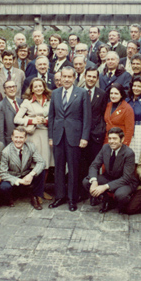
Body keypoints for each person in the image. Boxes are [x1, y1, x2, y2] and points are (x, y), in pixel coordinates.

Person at [48, 66, 91, 211]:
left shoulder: (82, 93)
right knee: (59, 168)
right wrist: (50, 137)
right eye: (63, 77)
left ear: (74, 78)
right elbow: (52, 116)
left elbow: (87, 117)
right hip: (58, 136)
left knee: (73, 168)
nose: (66, 80)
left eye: (69, 77)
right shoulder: (55, 93)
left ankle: (72, 199)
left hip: (75, 136)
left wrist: (84, 137)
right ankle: (59, 196)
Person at [83, 127, 138, 213]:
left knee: (120, 195)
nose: (111, 141)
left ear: (122, 139)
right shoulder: (105, 148)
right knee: (87, 181)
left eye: (115, 138)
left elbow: (126, 178)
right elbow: (94, 166)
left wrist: (105, 187)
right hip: (109, 177)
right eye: (110, 138)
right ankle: (106, 199)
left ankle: (118, 202)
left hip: (125, 182)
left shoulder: (129, 153)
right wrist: (94, 181)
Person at [0, 127, 47, 210]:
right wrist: (19, 181)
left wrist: (31, 174)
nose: (18, 140)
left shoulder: (30, 146)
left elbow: (41, 162)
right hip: (13, 178)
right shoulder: (6, 152)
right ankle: (10, 197)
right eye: (16, 137)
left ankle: (35, 196)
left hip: (26, 175)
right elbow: (2, 173)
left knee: (41, 171)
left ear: (25, 138)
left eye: (21, 137)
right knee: (3, 187)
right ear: (12, 137)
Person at [14, 77, 54, 173]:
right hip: (33, 135)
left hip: (46, 134)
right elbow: (16, 119)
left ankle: (43, 187)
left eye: (40, 86)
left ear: (44, 87)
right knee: (34, 163)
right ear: (31, 89)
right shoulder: (27, 102)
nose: (38, 88)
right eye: (35, 87)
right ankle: (34, 185)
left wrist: (46, 120)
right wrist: (32, 121)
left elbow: (55, 116)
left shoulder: (50, 101)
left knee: (46, 162)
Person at [80, 68, 108, 200]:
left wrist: (99, 130)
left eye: (93, 77)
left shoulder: (101, 94)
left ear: (97, 79)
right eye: (89, 76)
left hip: (96, 135)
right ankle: (81, 192)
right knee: (81, 164)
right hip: (80, 135)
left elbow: (102, 113)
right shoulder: (78, 92)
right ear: (85, 76)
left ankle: (94, 194)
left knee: (94, 165)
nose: (91, 79)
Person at [0, 80, 24, 148]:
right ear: (4, 90)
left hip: (23, 141)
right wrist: (2, 147)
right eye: (8, 87)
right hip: (9, 143)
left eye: (13, 86)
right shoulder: (0, 106)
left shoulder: (21, 102)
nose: (12, 89)